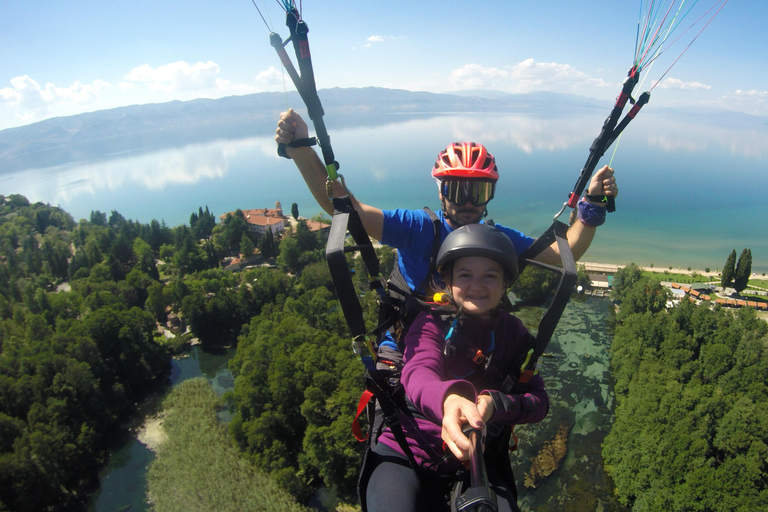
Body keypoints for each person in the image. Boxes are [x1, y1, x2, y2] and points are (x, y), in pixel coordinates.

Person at [275, 108, 618, 301]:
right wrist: (302, 149)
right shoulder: (419, 228)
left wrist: (591, 205)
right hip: (410, 338)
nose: (468, 203)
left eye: (478, 193)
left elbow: (564, 254)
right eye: (457, 190)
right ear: (441, 193)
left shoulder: (498, 240)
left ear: (490, 196)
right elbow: (346, 212)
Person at [362, 223, 549, 512]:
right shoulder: (430, 323)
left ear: (505, 284)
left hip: (477, 458)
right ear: (447, 281)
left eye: (490, 276)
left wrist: (495, 404)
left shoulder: (515, 334)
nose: (477, 286)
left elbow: (539, 402)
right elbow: (418, 372)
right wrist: (449, 400)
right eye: (465, 275)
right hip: (406, 449)